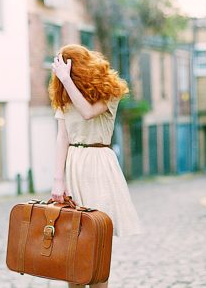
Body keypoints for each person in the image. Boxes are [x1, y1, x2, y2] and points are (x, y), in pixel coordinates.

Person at [48, 44, 143, 288]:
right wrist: (58, 179)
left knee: (96, 242)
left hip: (98, 165)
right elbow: (62, 137)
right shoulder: (63, 94)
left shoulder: (108, 91)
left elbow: (88, 112)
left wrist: (67, 81)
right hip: (73, 165)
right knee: (72, 244)